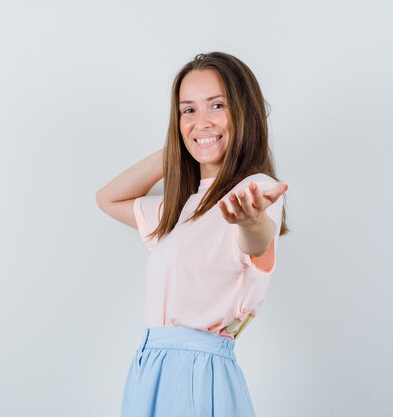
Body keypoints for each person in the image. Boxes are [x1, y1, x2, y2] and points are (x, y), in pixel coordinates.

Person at [95, 51, 290, 417]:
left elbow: (257, 242)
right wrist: (179, 144)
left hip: (194, 373)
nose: (202, 120)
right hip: (151, 367)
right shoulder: (181, 208)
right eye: (188, 110)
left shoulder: (254, 191)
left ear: (244, 112)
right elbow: (107, 199)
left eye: (217, 105)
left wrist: (250, 223)